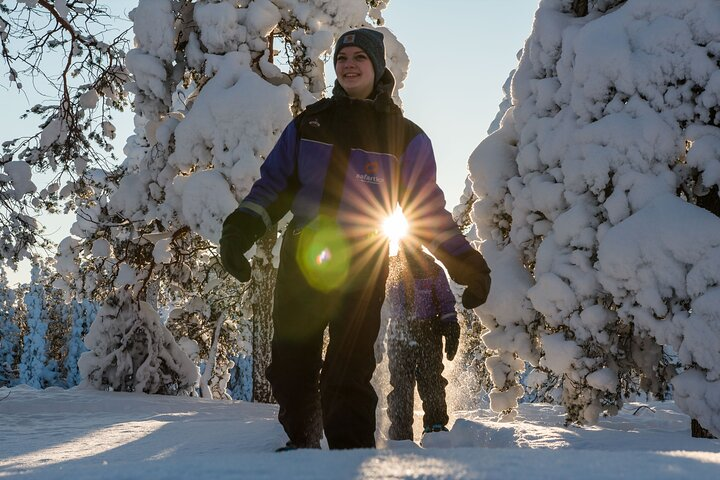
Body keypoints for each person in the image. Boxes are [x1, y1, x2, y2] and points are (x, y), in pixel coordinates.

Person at [219, 27, 491, 451]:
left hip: (362, 260)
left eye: (359, 57)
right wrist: (240, 230)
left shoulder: (406, 136)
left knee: (348, 368)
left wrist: (466, 265)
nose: (348, 64)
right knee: (291, 364)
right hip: (304, 254)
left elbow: (427, 212)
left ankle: (350, 456)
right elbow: (272, 187)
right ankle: (303, 447)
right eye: (342, 56)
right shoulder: (310, 123)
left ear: (378, 67)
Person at [385, 240, 460, 442]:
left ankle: (435, 428)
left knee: (431, 379)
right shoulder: (391, 266)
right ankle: (401, 435)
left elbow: (445, 302)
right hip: (400, 332)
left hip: (428, 331)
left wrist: (451, 325)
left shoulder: (432, 269)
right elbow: (378, 298)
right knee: (402, 384)